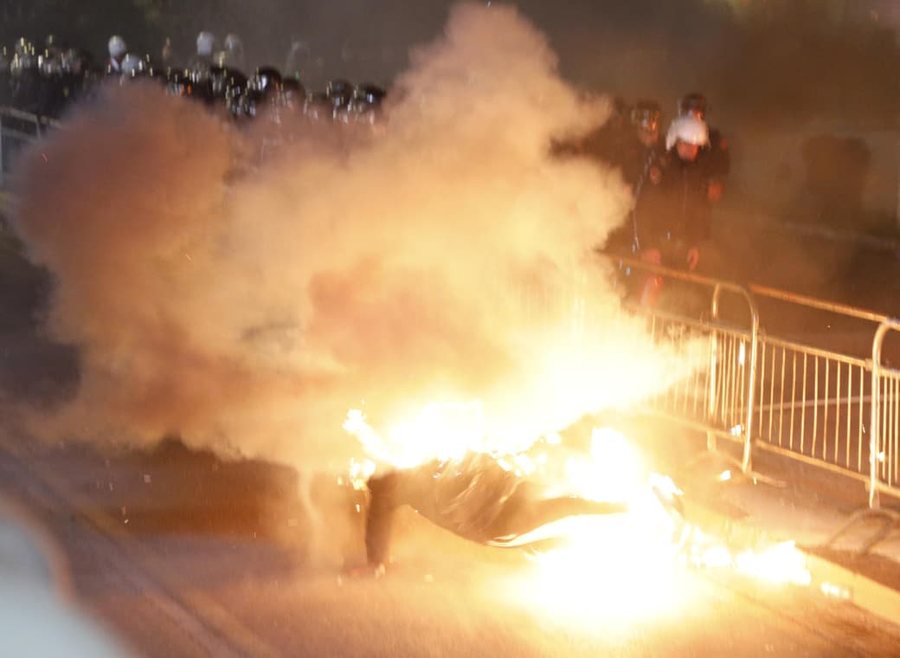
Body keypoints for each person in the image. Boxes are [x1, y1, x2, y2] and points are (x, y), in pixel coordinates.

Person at [363, 449, 628, 571]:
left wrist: (377, 561)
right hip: (500, 522)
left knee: (562, 514)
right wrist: (377, 561)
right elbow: (378, 519)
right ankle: (631, 508)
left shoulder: (425, 472)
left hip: (501, 518)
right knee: (570, 505)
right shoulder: (409, 486)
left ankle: (623, 512)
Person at [634, 114, 711, 307]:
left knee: (679, 301)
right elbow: (642, 208)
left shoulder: (697, 173)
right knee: (649, 298)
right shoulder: (661, 167)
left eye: (695, 145)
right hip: (658, 245)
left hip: (682, 250)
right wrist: (647, 245)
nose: (691, 149)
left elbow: (699, 212)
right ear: (675, 141)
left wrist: (694, 244)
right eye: (686, 143)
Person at [677, 92, 729, 203]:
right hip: (674, 200)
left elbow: (721, 169)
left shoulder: (713, 138)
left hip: (699, 203)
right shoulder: (674, 136)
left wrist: (715, 184)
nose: (692, 116)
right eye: (688, 112)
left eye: (696, 112)